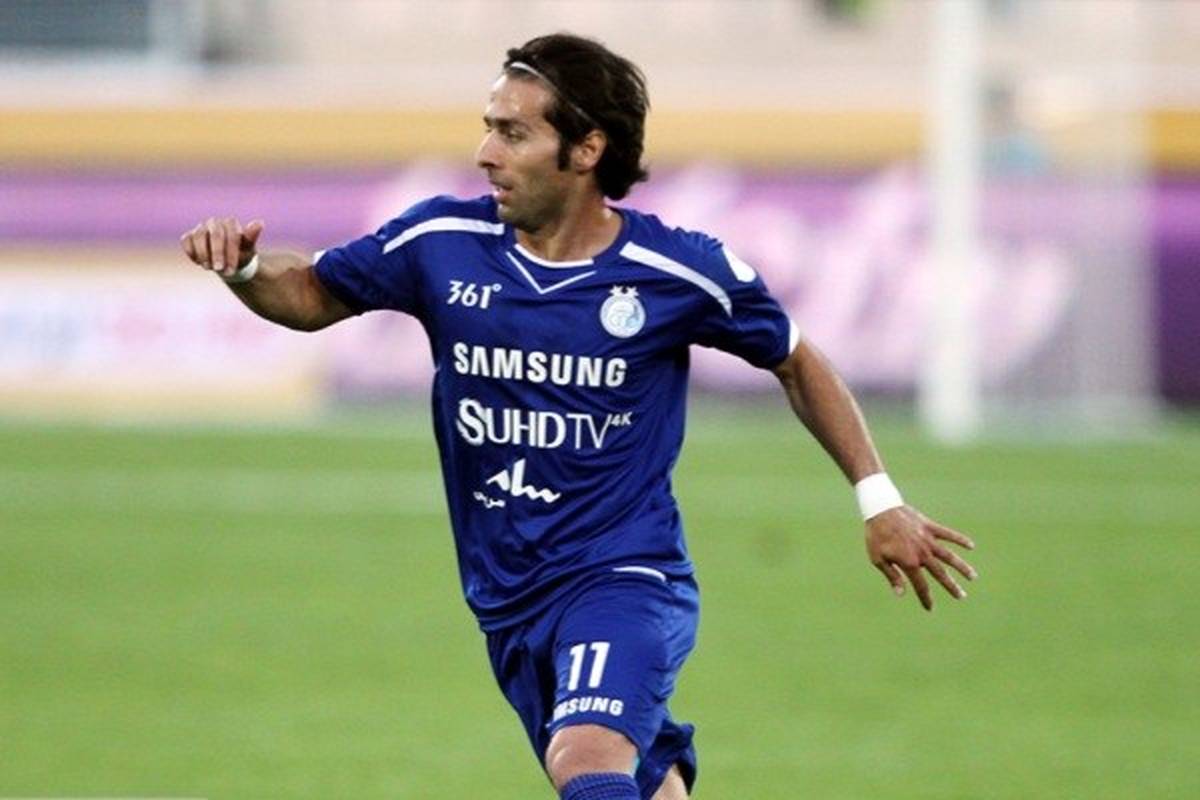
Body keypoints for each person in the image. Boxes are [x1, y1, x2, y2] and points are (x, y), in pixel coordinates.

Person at [180, 33, 977, 800]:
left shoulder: (675, 271)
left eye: (513, 133)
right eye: (489, 128)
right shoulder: (440, 241)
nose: (486, 153)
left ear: (586, 148)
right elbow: (312, 293)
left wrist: (879, 499)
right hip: (507, 595)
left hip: (624, 576)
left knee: (585, 756)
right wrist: (246, 268)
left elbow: (796, 359)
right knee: (641, 783)